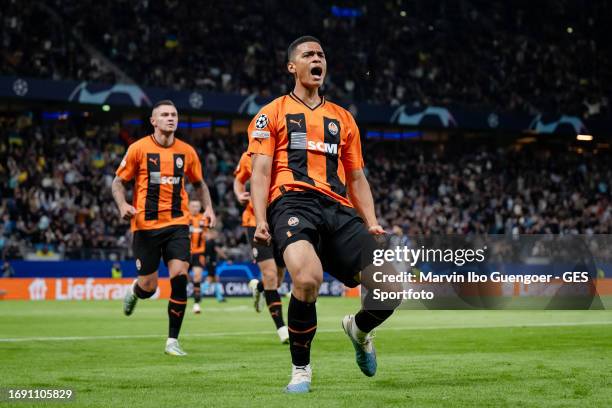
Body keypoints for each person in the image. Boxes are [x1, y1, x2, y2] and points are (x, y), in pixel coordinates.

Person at [248, 36, 400, 393]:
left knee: (391, 287)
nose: (317, 59)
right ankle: (301, 370)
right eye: (308, 54)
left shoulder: (343, 119)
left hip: (337, 208)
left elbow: (358, 177)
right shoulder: (273, 112)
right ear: (292, 67)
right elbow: (260, 171)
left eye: (321, 54)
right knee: (306, 277)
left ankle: (359, 330)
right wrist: (260, 219)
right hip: (292, 202)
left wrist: (372, 219)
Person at [112, 99, 216, 356]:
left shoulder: (187, 152)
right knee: (149, 287)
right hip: (145, 226)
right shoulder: (138, 149)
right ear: (153, 121)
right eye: (165, 115)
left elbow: (199, 184)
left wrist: (209, 209)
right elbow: (117, 181)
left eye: (174, 114)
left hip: (177, 224)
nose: (171, 118)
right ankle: (135, 291)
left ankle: (172, 340)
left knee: (180, 275)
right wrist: (122, 204)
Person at [234, 151, 289, 343]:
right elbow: (239, 180)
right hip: (254, 221)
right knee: (271, 275)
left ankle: (258, 287)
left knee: (278, 280)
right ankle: (282, 329)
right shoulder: (248, 156)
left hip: (280, 220)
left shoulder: (285, 153)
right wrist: (239, 194)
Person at [188, 200, 209, 314]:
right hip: (185, 252)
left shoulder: (204, 218)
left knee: (197, 276)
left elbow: (211, 231)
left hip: (199, 252)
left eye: (197, 206)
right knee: (181, 276)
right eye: (193, 206)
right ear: (189, 207)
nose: (195, 208)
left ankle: (196, 304)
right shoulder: (184, 218)